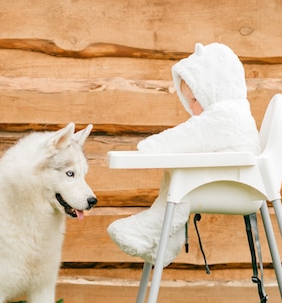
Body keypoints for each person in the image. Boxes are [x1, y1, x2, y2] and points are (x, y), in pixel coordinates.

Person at [107, 42, 261, 266]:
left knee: (183, 183)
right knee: (175, 175)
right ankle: (165, 241)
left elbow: (187, 137)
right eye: (189, 101)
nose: (193, 109)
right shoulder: (234, 112)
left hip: (240, 189)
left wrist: (150, 147)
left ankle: (148, 231)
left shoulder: (225, 115)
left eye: (195, 99)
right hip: (235, 182)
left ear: (214, 87)